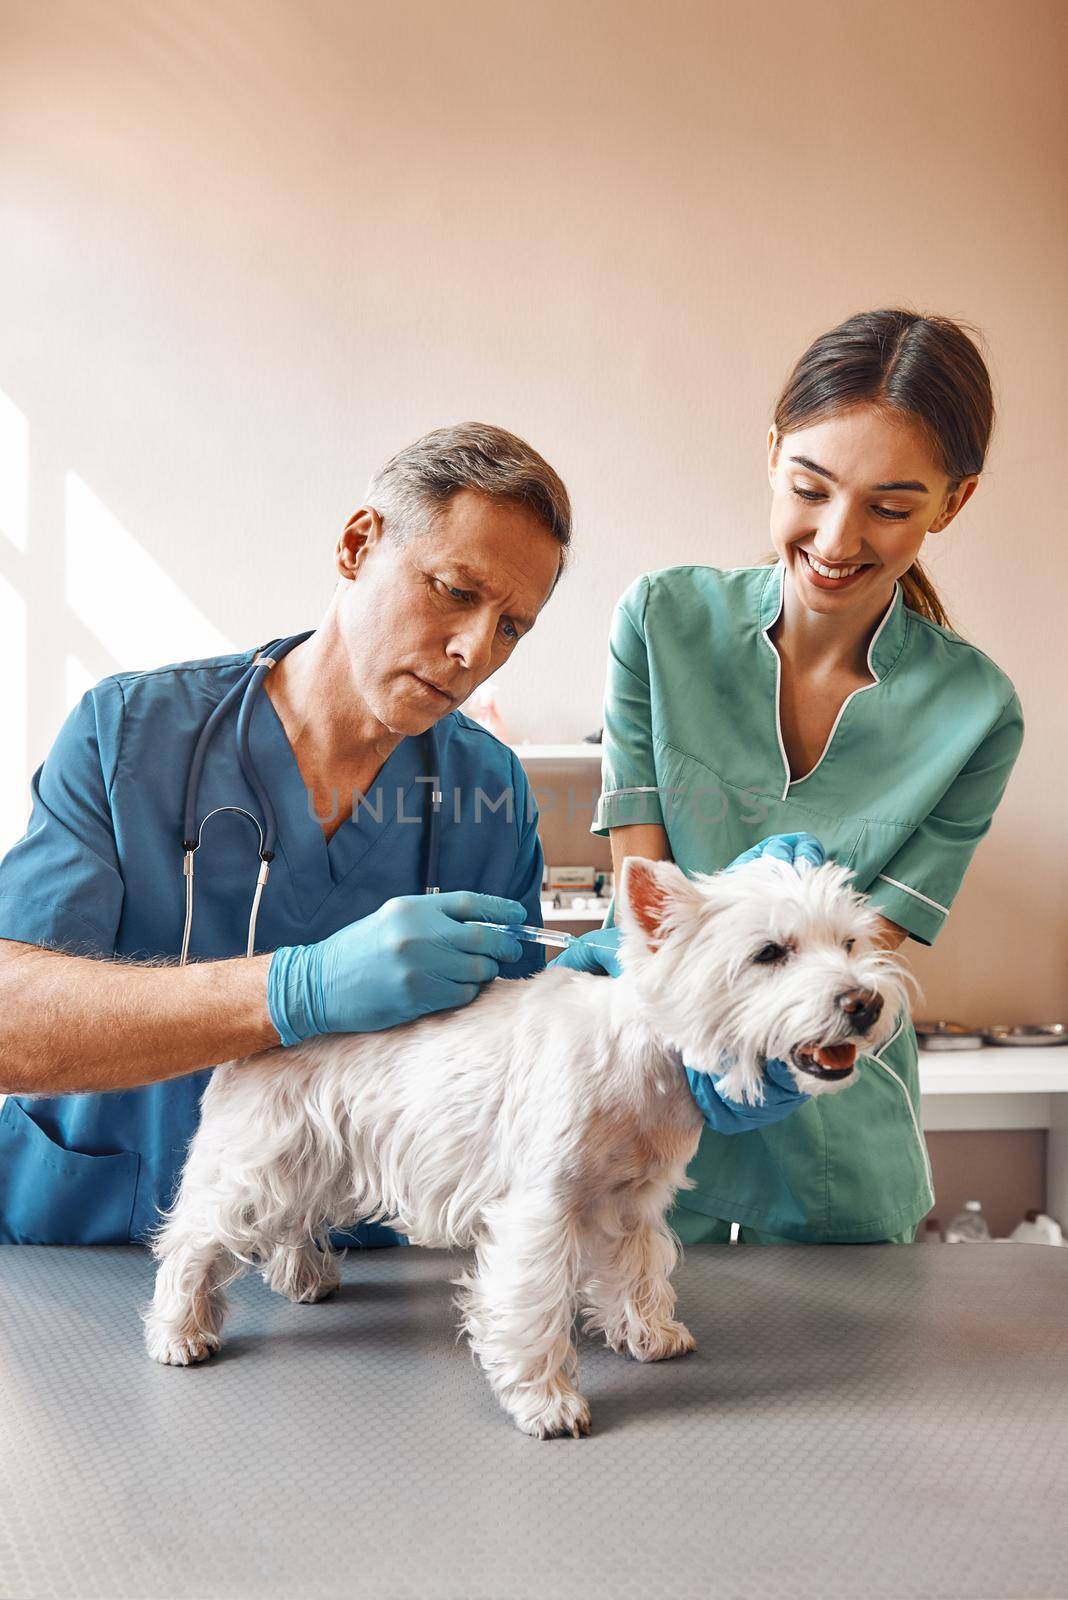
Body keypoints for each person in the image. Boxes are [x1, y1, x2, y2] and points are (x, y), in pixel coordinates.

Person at [0, 422, 571, 1245]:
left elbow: (502, 1073)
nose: (473, 650)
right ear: (357, 543)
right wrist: (291, 991)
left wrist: (601, 1012)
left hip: (347, 1281)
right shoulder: (130, 735)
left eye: (512, 627)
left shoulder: (488, 792)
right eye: (453, 589)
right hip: (92, 1244)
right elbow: (13, 1024)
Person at [566, 309, 1025, 1246]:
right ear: (773, 453)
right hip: (654, 1096)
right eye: (810, 487)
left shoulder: (977, 712)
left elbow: (865, 956)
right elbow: (643, 906)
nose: (837, 537)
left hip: (832, 1114)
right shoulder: (659, 623)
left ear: (954, 501)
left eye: (892, 508)